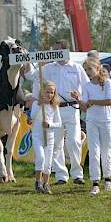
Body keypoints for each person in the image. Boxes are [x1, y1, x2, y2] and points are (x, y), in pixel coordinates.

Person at [25, 39, 89, 185]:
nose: (55, 52)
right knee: (57, 144)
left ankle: (77, 174)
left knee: (74, 141)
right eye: (54, 50)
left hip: (72, 109)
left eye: (58, 49)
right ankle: (61, 175)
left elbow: (86, 87)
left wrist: (80, 97)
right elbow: (32, 76)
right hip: (54, 109)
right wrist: (31, 61)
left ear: (65, 51)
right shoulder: (47, 68)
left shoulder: (76, 68)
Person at [71, 58, 111, 195]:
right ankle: (95, 182)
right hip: (92, 120)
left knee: (106, 151)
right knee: (94, 151)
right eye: (86, 69)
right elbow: (85, 107)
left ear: (98, 68)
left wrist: (94, 101)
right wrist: (78, 99)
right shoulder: (87, 86)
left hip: (106, 121)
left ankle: (108, 179)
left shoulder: (107, 83)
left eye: (90, 69)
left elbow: (109, 101)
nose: (87, 72)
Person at [31, 81, 62, 194]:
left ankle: (46, 183)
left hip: (49, 137)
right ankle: (38, 182)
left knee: (48, 162)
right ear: (42, 91)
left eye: (52, 93)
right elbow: (32, 116)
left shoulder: (54, 107)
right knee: (41, 158)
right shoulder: (37, 104)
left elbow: (59, 123)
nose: (49, 94)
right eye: (47, 92)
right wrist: (39, 105)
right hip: (38, 135)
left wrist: (49, 125)